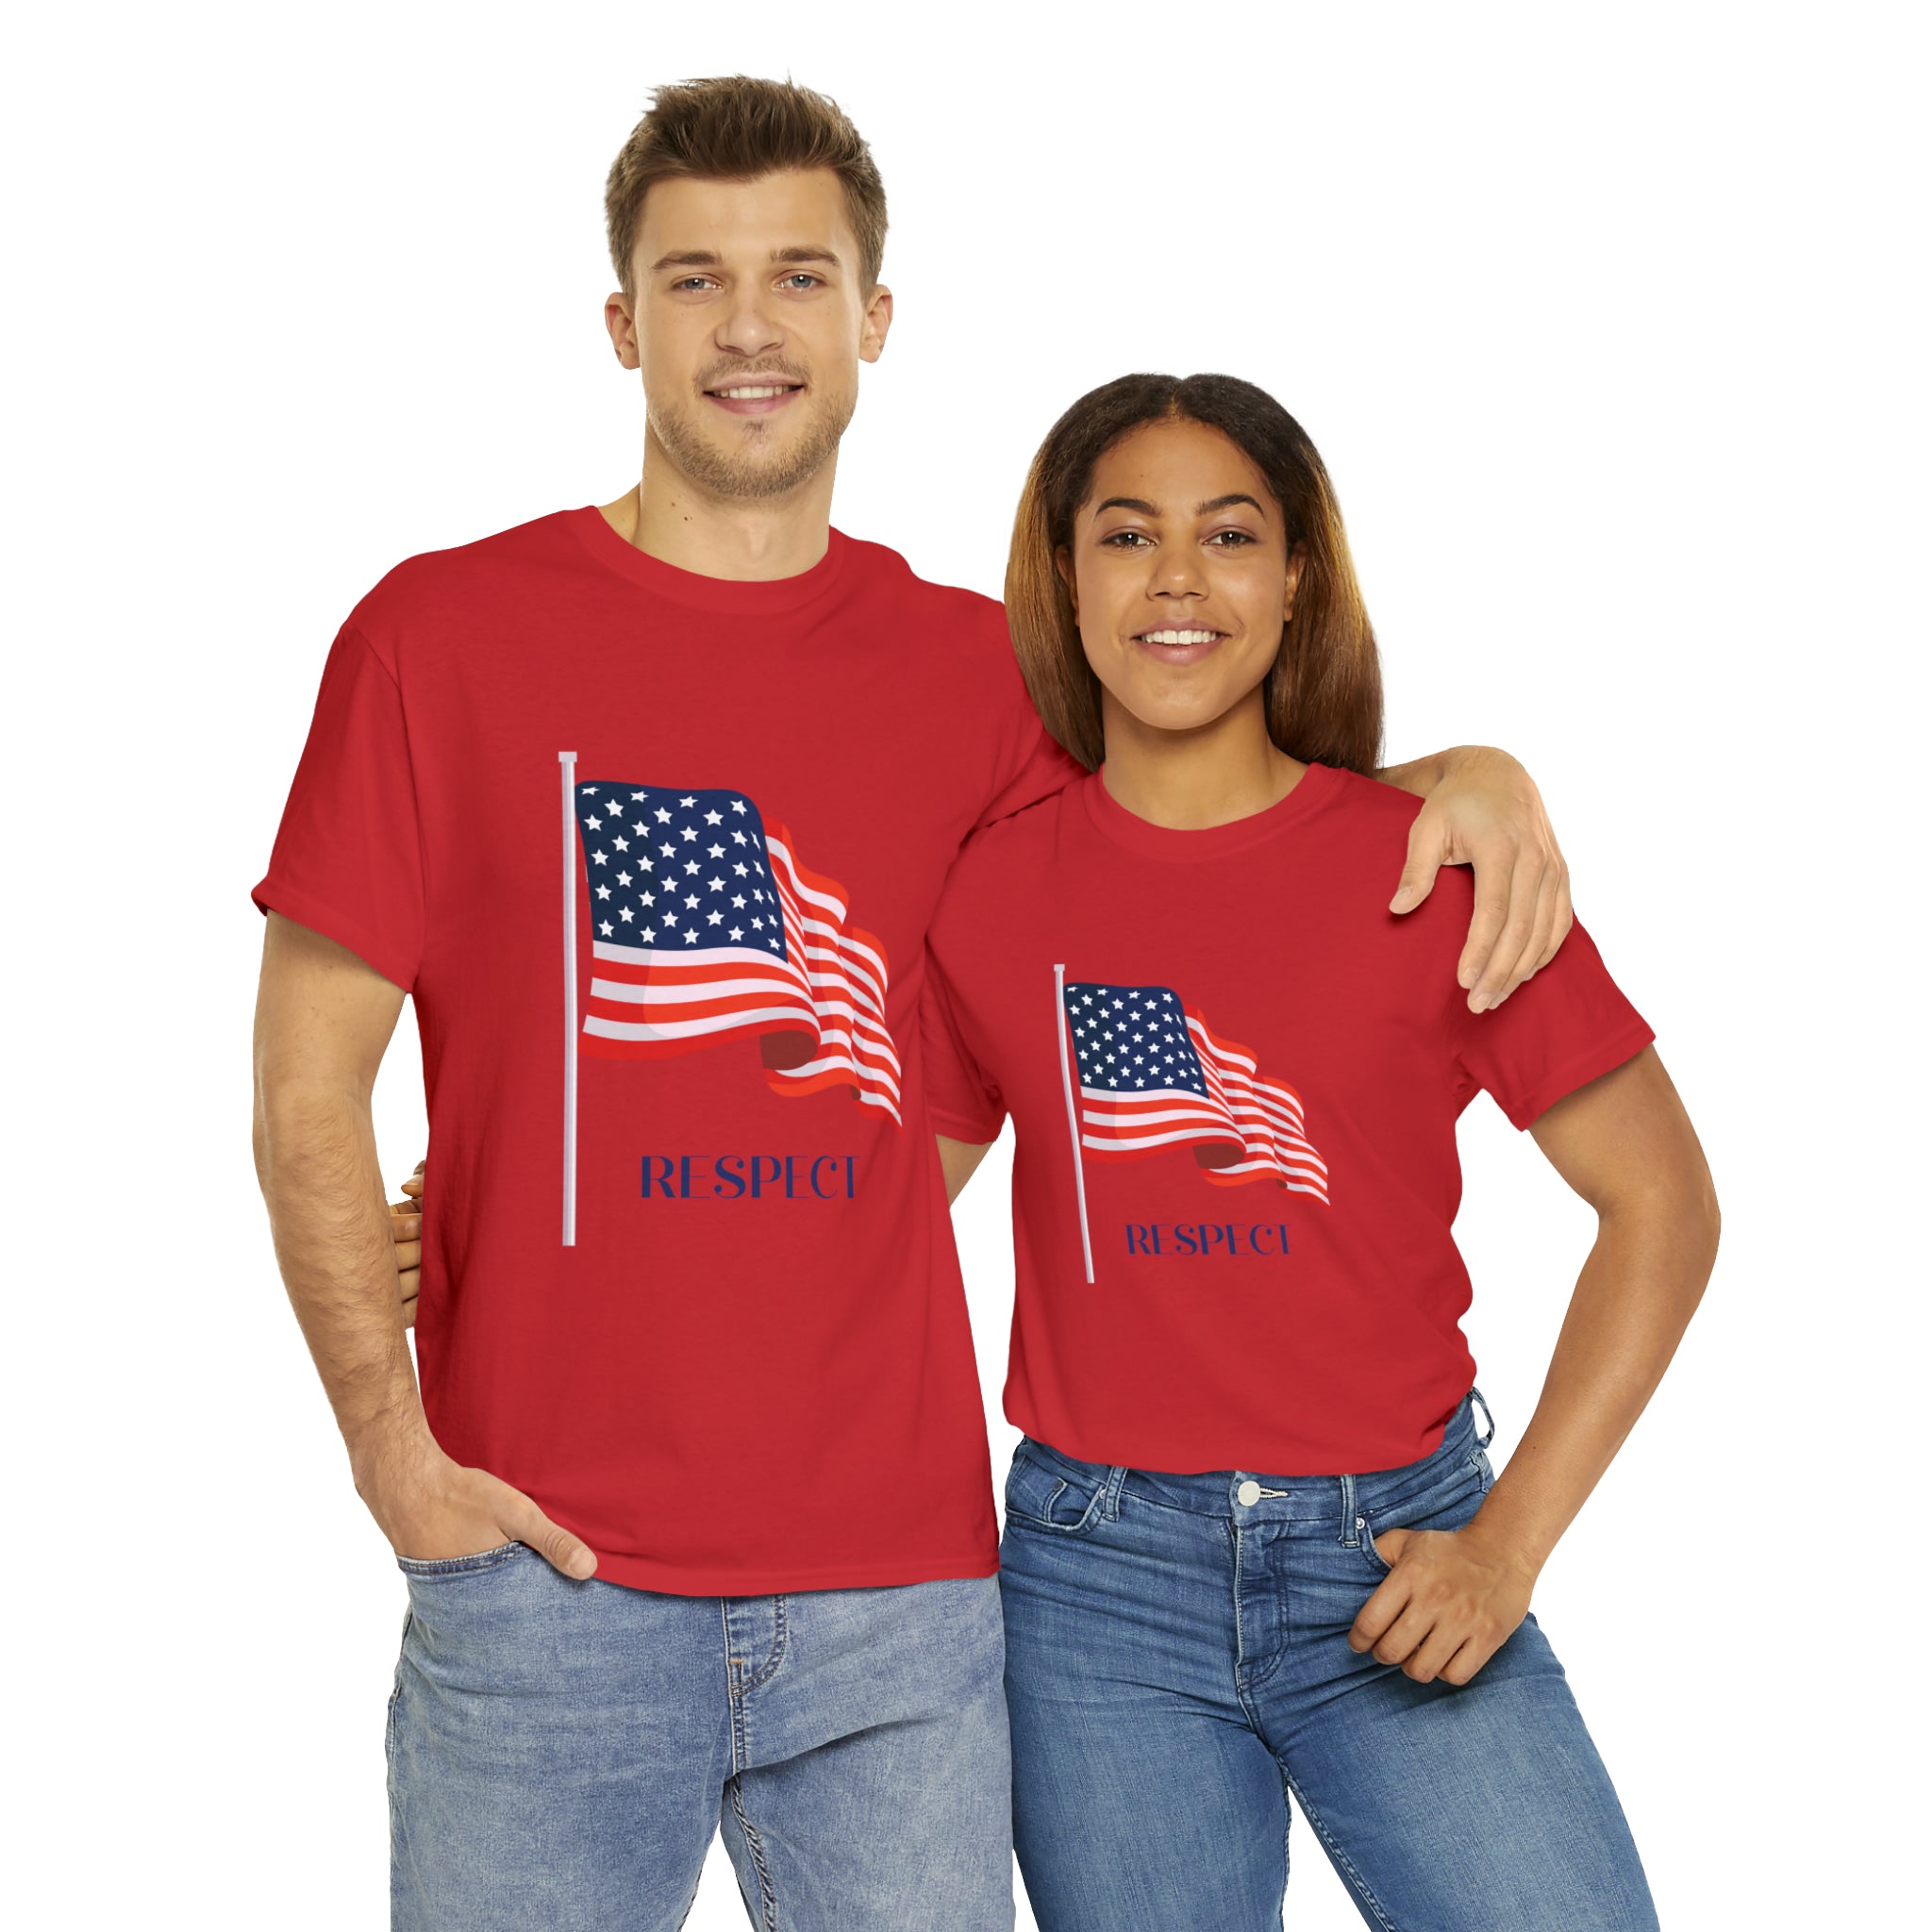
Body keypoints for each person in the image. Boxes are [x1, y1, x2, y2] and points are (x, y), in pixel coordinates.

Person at [254, 76, 1580, 1932]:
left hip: (905, 1589)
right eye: (693, 278)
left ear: (871, 322)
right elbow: (309, 1082)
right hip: (540, 1570)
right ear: (621, 322)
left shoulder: (980, 676)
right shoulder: (438, 636)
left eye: (797, 275)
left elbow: (1223, 787)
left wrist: (1477, 767)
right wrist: (394, 1457)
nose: (746, 327)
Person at [909, 374, 1718, 1930]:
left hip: (1398, 1552)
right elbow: (863, 1212)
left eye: (1230, 535)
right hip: (1095, 1588)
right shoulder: (991, 896)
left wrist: (1508, 1545)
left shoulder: (1437, 871)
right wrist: (486, 1225)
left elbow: (1664, 1205)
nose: (1175, 578)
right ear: (1064, 583)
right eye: (1124, 535)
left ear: (1295, 583)